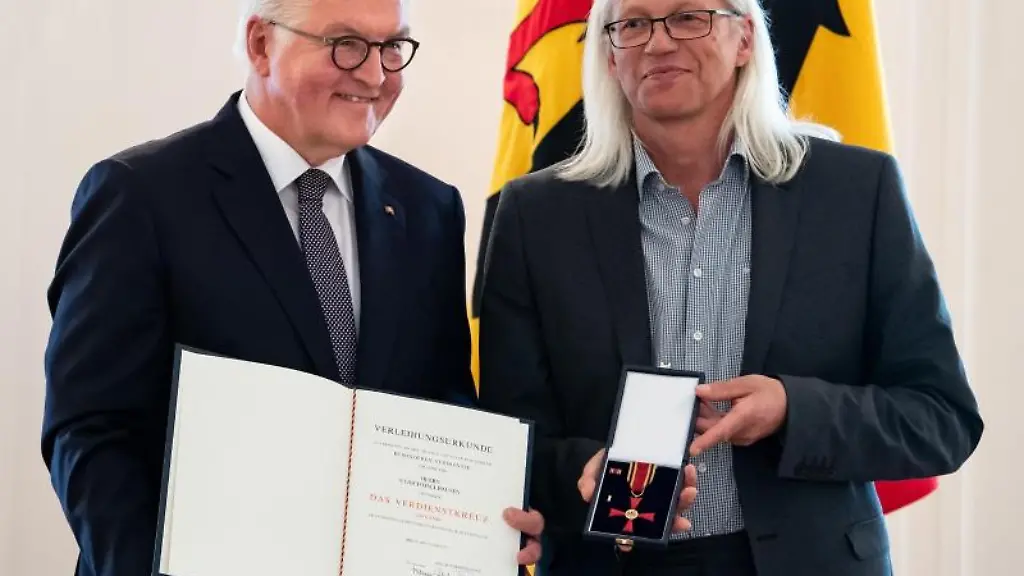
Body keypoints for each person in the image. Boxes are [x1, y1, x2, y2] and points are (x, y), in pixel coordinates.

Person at [476, 0, 984, 575]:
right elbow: (505, 434)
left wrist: (793, 410)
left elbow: (941, 418)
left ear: (745, 39)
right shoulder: (536, 215)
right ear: (610, 59)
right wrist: (581, 472)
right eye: (634, 24)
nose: (659, 43)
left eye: (690, 17)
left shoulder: (856, 193)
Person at [41, 1, 546, 574]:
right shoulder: (141, 196)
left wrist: (479, 522)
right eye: (346, 44)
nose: (376, 75)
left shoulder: (427, 208)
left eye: (391, 48)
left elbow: (443, 405)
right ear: (261, 45)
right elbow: (90, 432)